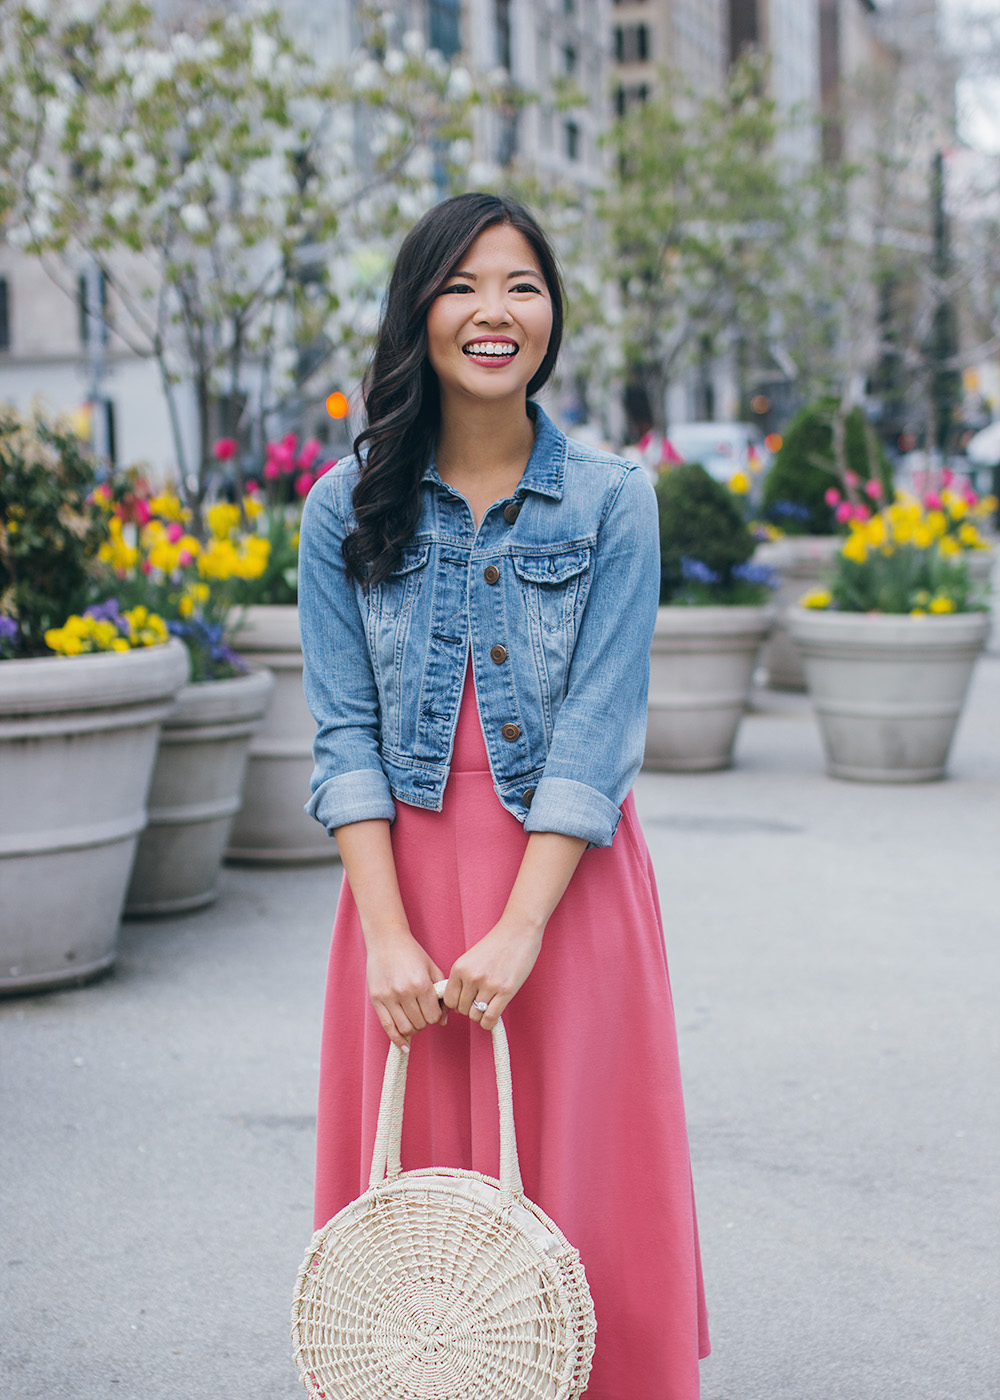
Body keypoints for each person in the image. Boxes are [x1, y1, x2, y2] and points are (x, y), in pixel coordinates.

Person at [298, 192, 709, 1400]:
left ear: (551, 315)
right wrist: (386, 936)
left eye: (521, 284)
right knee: (414, 1221)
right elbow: (342, 734)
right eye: (463, 284)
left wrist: (524, 922)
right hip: (401, 885)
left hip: (564, 884)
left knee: (584, 1178)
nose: (494, 310)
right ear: (418, 310)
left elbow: (596, 725)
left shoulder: (611, 497)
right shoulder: (343, 504)